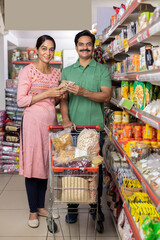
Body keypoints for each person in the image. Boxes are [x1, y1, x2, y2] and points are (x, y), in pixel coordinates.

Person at [60, 30, 112, 233]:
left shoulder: (101, 70)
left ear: (93, 46)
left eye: (88, 44)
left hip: (94, 130)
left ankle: (94, 208)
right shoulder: (67, 71)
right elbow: (63, 98)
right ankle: (72, 208)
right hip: (73, 130)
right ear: (76, 47)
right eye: (81, 44)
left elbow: (106, 96)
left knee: (93, 173)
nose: (84, 47)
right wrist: (65, 119)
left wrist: (83, 92)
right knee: (71, 169)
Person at [17, 35, 65, 229]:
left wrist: (62, 95)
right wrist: (47, 94)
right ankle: (32, 210)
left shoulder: (56, 73)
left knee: (46, 165)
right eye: (44, 48)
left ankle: (41, 206)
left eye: (51, 49)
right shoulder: (27, 71)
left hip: (50, 125)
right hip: (32, 125)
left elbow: (56, 102)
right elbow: (21, 101)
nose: (48, 53)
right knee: (32, 166)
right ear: (37, 50)